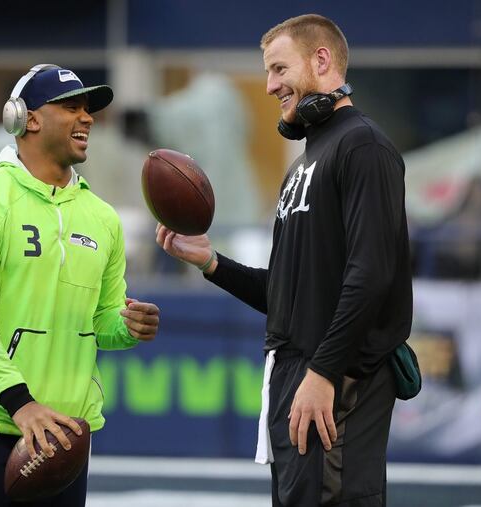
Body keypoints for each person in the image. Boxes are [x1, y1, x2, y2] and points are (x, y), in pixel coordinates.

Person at [156, 15, 412, 507]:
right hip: (299, 379)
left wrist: (324, 373)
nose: (270, 84)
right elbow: (289, 292)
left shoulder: (364, 146)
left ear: (321, 60)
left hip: (335, 384)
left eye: (278, 69)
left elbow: (371, 274)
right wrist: (213, 263)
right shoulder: (304, 163)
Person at [0, 64, 160, 507]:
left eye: (89, 109)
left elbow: (102, 323)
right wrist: (21, 404)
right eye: (71, 106)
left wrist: (128, 326)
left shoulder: (103, 218)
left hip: (64, 436)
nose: (88, 117)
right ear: (26, 119)